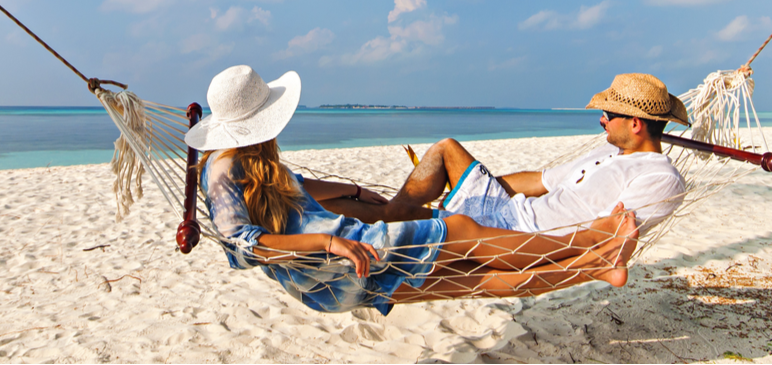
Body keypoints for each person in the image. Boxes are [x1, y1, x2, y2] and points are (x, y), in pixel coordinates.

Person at [188, 65, 640, 316]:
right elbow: (243, 246)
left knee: (470, 282)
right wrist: (329, 241)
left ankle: (594, 268)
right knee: (460, 230)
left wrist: (354, 189)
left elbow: (292, 188)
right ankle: (591, 242)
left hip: (326, 281)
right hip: (338, 259)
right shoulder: (223, 170)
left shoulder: (248, 159)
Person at [332, 73, 689, 236]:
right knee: (446, 149)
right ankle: (398, 211)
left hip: (517, 233)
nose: (601, 119)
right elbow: (538, 180)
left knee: (405, 216)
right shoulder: (606, 151)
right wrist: (471, 191)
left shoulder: (660, 177)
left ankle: (315, 215)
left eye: (609, 115)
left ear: (637, 124)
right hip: (506, 207)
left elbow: (612, 235)